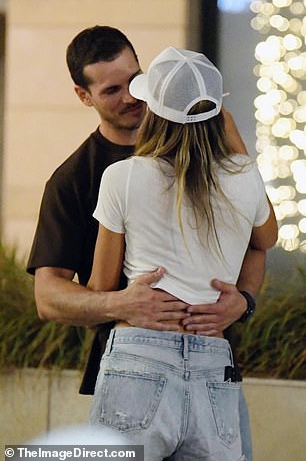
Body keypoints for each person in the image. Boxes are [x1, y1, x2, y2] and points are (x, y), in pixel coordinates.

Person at [27, 26, 265, 459]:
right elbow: (47, 296)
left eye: (135, 80)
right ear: (84, 96)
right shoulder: (73, 181)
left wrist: (244, 300)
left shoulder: (214, 160)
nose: (131, 97)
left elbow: (255, 245)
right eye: (112, 89)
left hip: (213, 362)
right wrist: (121, 304)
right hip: (142, 361)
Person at [87, 46, 278, 460]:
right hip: (213, 358)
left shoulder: (121, 177)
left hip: (139, 354)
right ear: (217, 113)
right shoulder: (244, 177)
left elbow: (101, 287)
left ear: (152, 111)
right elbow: (266, 238)